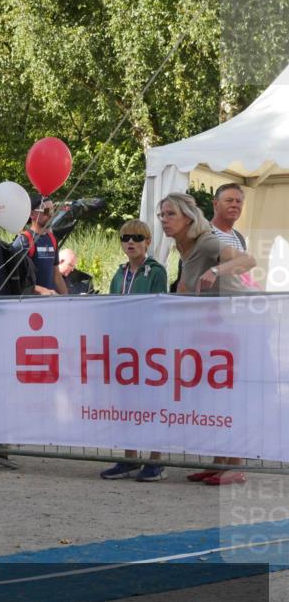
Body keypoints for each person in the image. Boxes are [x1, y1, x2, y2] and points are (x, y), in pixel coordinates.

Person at [158, 192, 256, 486]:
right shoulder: (184, 250)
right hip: (211, 335)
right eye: (162, 215)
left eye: (170, 214)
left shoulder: (209, 242)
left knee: (226, 399)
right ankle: (218, 462)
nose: (164, 220)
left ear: (188, 217)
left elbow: (248, 260)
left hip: (237, 329)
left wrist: (217, 270)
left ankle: (236, 466)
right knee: (212, 399)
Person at [98, 220, 169, 482]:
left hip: (148, 349)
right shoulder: (119, 273)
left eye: (137, 237)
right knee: (126, 405)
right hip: (122, 349)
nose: (131, 242)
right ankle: (129, 458)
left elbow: (158, 310)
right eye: (126, 237)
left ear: (148, 242)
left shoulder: (156, 272)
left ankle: (155, 460)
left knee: (151, 405)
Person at [12, 195, 69, 296]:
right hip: (31, 305)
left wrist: (67, 299)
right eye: (47, 211)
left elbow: (56, 274)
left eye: (53, 210)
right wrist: (41, 291)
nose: (52, 214)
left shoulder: (52, 239)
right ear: (32, 214)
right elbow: (17, 279)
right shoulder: (24, 241)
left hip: (49, 303)